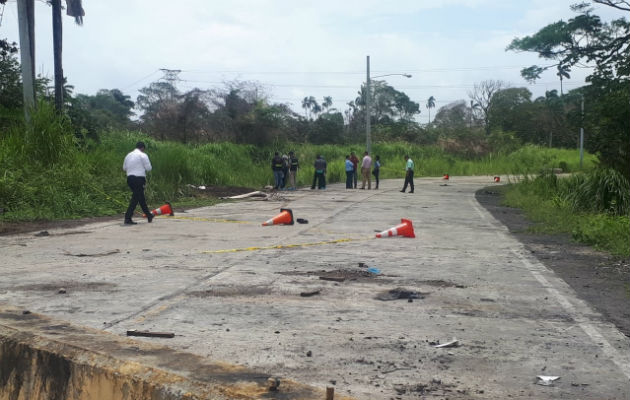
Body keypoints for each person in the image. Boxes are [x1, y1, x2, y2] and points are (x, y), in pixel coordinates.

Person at [122, 141, 153, 225]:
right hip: (139, 179)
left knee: (139, 197)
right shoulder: (143, 155)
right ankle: (127, 218)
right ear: (142, 148)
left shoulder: (128, 155)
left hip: (130, 179)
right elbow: (149, 168)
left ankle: (149, 215)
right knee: (136, 198)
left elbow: (124, 168)